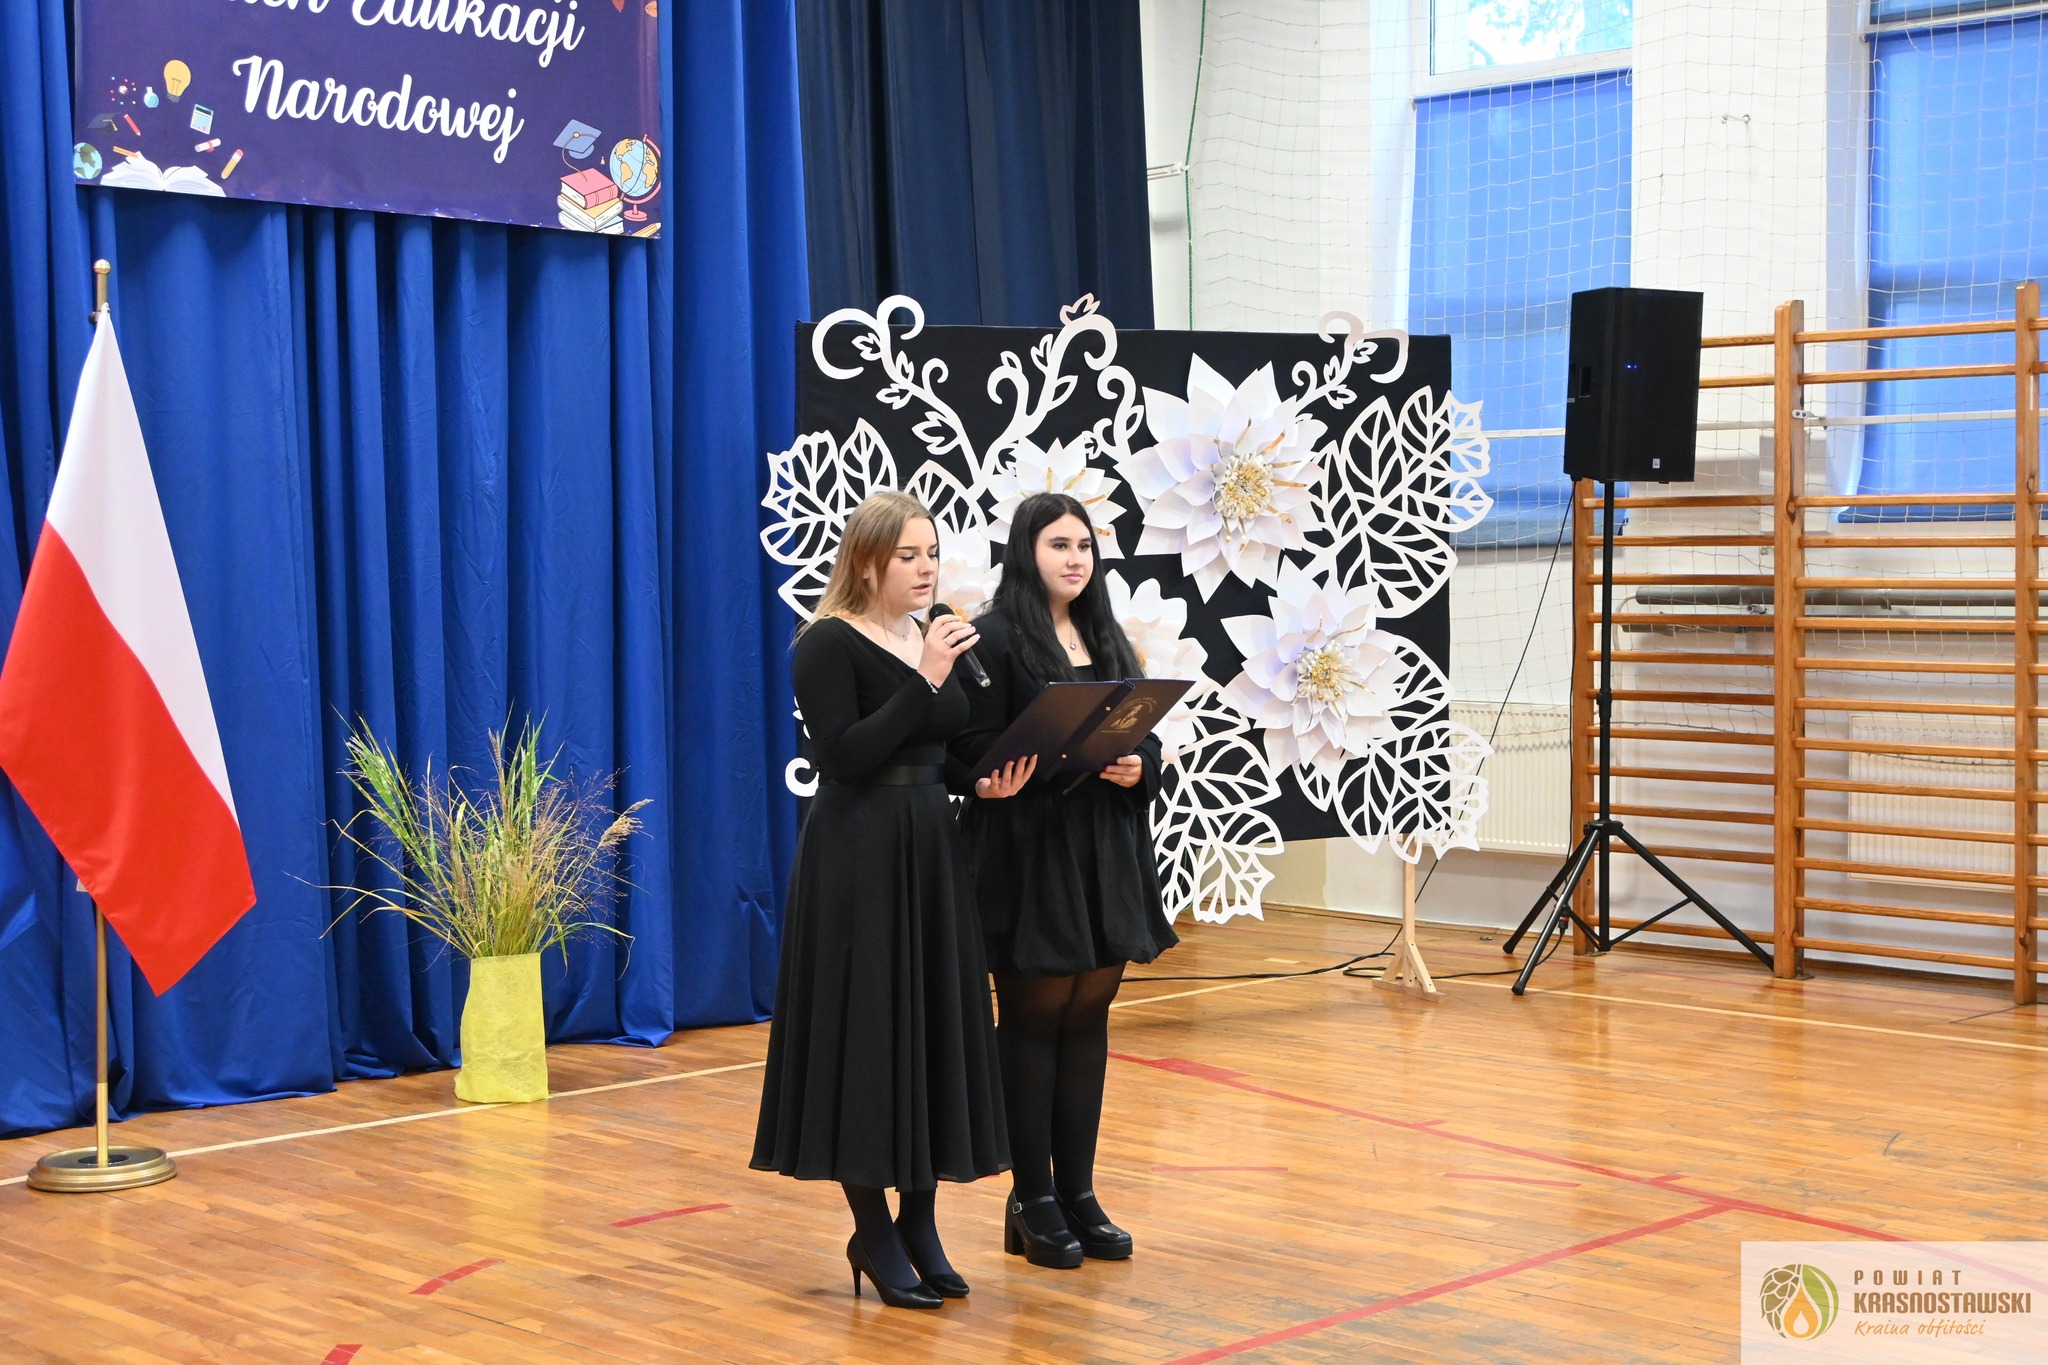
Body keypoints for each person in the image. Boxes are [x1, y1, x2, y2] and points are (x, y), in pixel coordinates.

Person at [751, 491, 1036, 1310]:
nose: (925, 569)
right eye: (908, 555)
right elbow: (846, 756)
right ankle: (872, 1229)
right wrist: (926, 676)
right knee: (869, 1035)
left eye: (932, 553)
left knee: (929, 1031)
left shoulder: (929, 633)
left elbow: (934, 749)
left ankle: (920, 1224)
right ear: (867, 562)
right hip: (858, 852)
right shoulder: (825, 642)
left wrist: (983, 781)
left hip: (931, 849)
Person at [952, 491, 1180, 1270]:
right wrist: (993, 779)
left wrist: (1138, 765)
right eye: (1059, 544)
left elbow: (1146, 736)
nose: (1075, 558)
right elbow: (967, 747)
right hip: (1029, 847)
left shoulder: (1106, 631)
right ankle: (1031, 1198)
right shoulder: (994, 636)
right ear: (1027, 551)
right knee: (1033, 1018)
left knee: (1089, 1016)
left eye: (1083, 544)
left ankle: (1078, 1192)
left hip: (1103, 846)